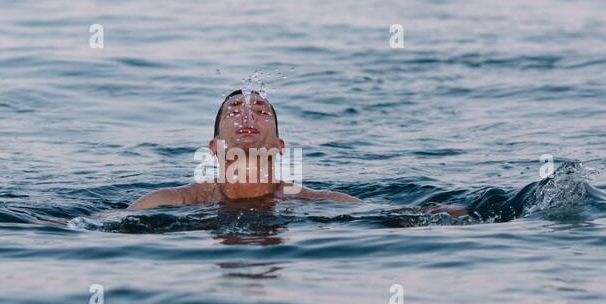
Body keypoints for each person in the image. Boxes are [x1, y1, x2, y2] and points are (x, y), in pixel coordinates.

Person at [127, 90, 468, 216]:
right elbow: (101, 226)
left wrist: (433, 213)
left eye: (260, 111)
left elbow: (385, 215)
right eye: (234, 111)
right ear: (214, 147)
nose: (247, 115)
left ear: (279, 147)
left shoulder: (309, 200)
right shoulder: (171, 201)